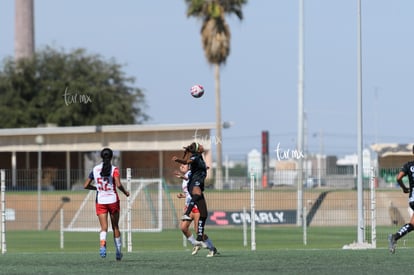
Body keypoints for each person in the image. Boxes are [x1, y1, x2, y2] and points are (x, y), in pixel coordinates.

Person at [84, 148, 130, 260]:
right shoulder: (114, 169)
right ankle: (118, 252)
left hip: (100, 201)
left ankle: (102, 244)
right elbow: (118, 184)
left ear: (101, 157)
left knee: (104, 227)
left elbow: (86, 185)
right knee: (115, 227)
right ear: (111, 157)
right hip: (113, 200)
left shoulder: (95, 169)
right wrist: (125, 192)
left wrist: (97, 188)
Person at [175, 163, 218, 257]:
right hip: (189, 207)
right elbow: (190, 193)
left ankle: (212, 248)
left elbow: (195, 180)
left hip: (197, 207)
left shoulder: (191, 173)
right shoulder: (185, 177)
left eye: (184, 165)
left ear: (189, 167)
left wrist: (202, 168)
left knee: (198, 231)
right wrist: (182, 195)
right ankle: (196, 244)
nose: (181, 166)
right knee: (183, 228)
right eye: (181, 165)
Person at [172, 142, 208, 243]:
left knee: (204, 214)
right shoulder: (195, 157)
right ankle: (187, 214)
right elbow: (187, 161)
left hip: (197, 185)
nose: (202, 146)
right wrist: (178, 160)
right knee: (197, 194)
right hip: (195, 184)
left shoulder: (199, 157)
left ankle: (200, 237)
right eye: (200, 145)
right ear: (197, 149)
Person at [388, 145, 414, 254]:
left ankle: (395, 237)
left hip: (412, 198)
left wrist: (404, 188)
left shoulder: (408, 165)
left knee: (412, 224)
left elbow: (398, 178)